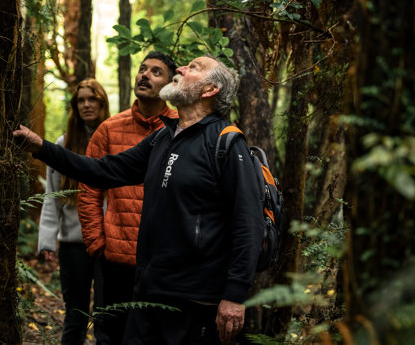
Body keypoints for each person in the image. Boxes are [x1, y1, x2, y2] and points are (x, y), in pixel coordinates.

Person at [14, 55, 263, 344]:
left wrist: (234, 295)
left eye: (193, 67)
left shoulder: (226, 143)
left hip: (195, 300)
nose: (181, 69)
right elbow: (103, 170)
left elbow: (249, 222)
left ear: (210, 91)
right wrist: (42, 147)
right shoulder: (162, 138)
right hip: (148, 292)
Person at [77, 51, 177, 344]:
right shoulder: (109, 129)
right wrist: (97, 242)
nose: (144, 75)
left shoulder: (183, 129)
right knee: (111, 336)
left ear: (171, 86)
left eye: (156, 72)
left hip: (163, 262)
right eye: (142, 69)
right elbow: (89, 188)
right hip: (116, 258)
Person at [37, 78, 110, 345]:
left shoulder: (115, 139)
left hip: (109, 244)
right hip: (73, 245)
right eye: (81, 100)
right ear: (74, 106)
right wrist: (47, 241)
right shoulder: (63, 143)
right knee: (75, 316)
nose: (87, 105)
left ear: (103, 103)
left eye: (93, 99)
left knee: (107, 316)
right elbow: (52, 198)